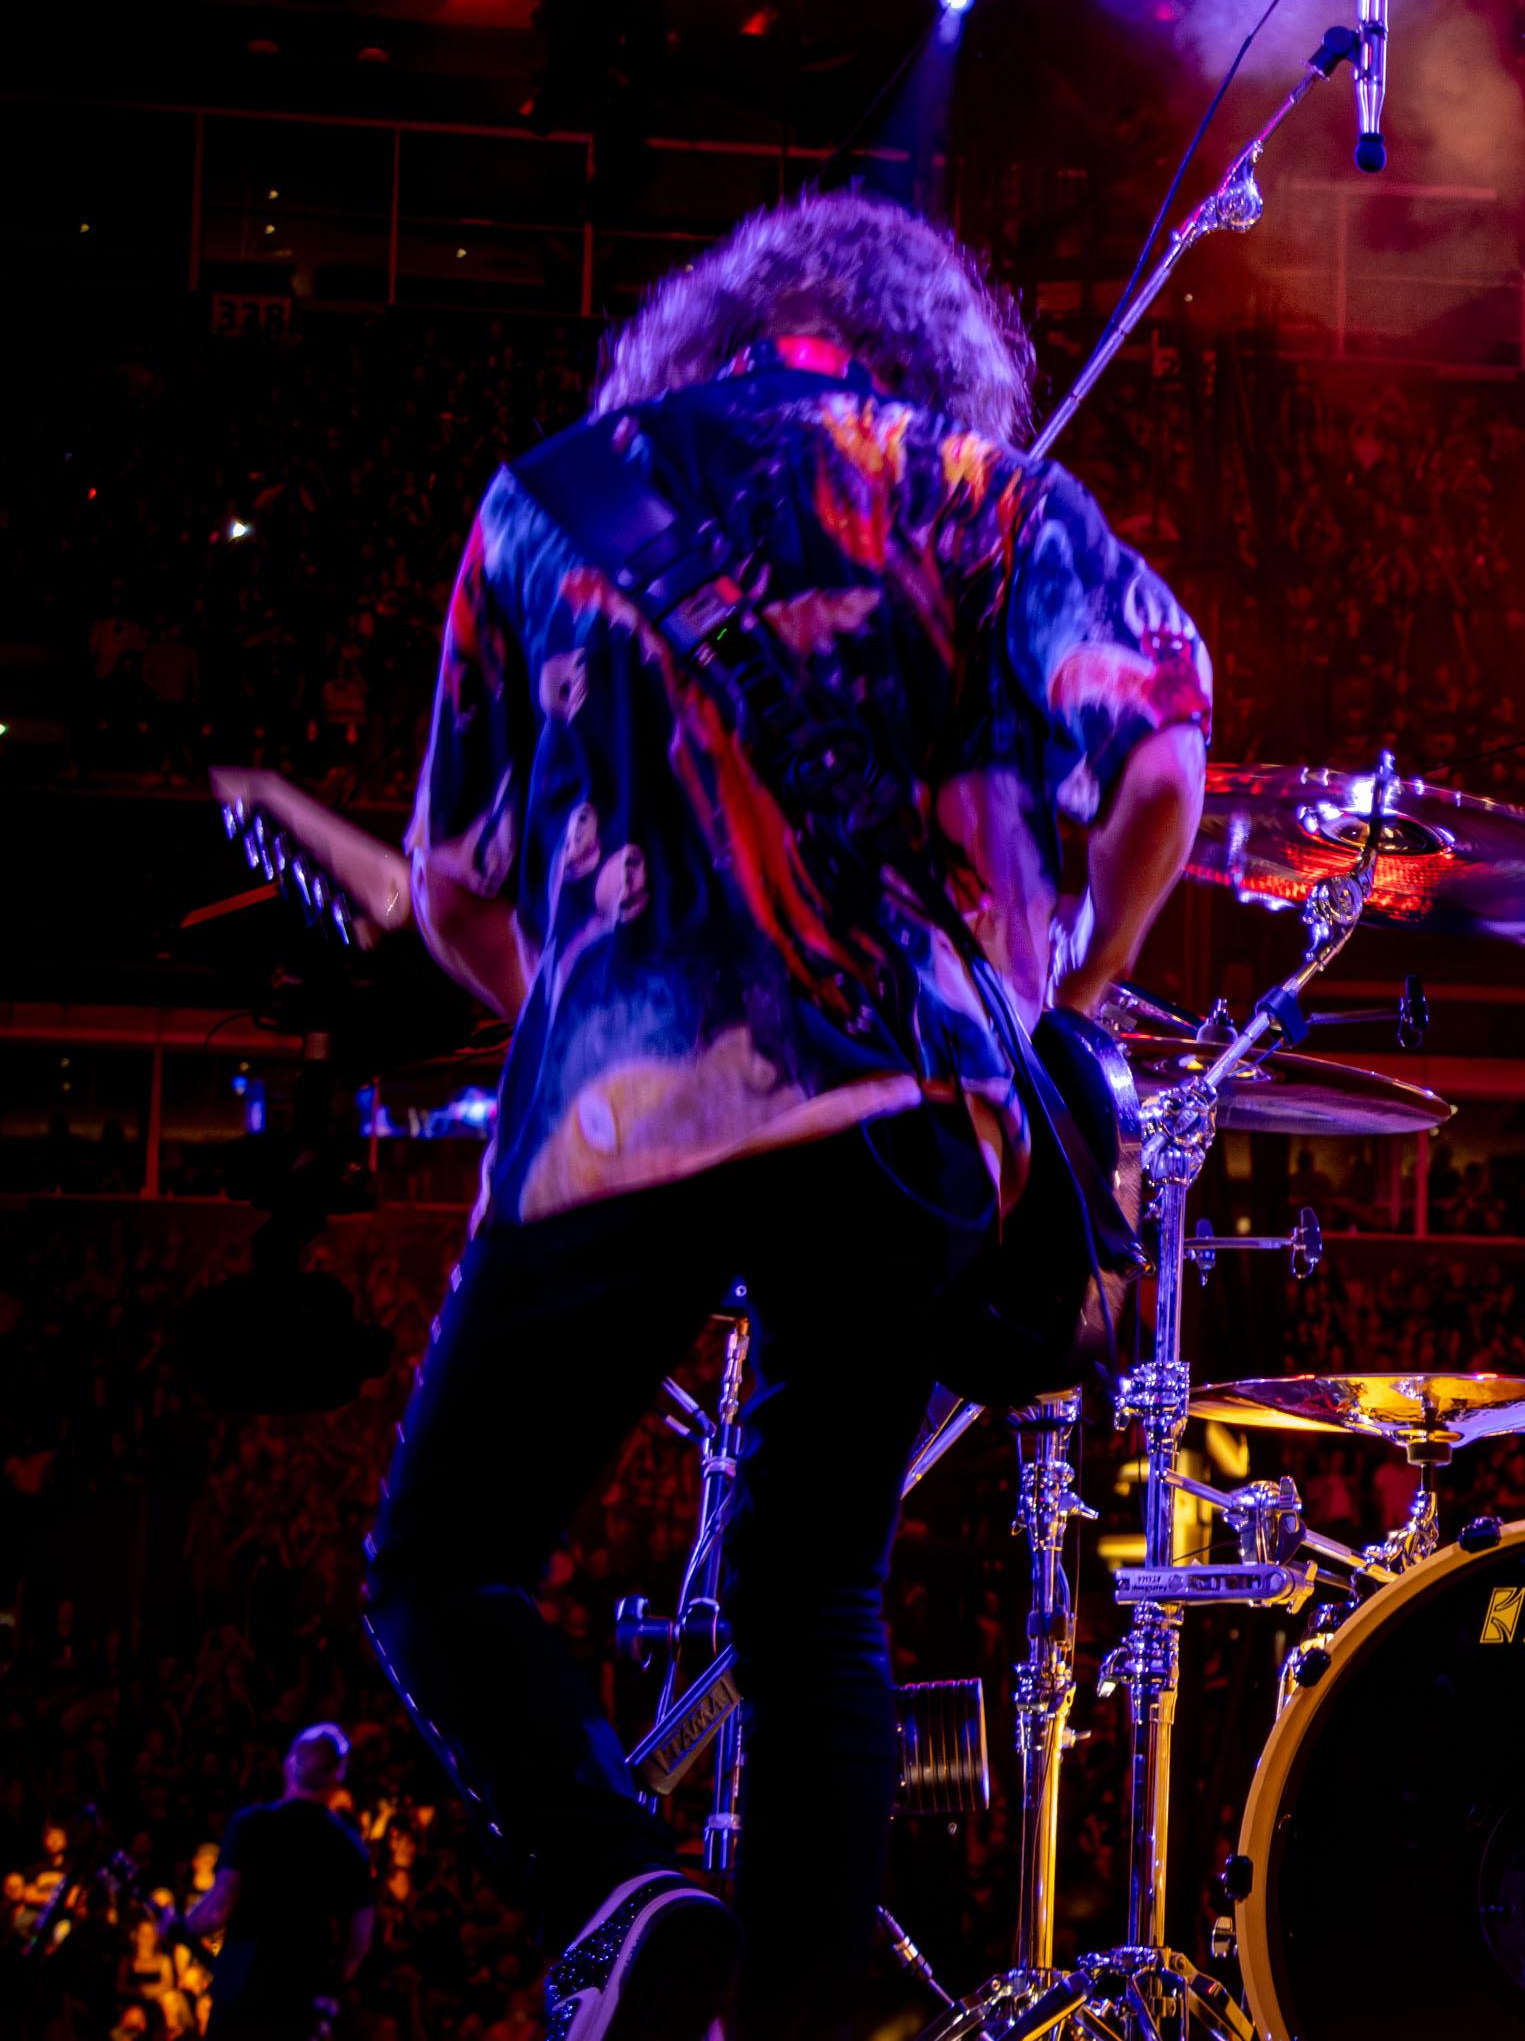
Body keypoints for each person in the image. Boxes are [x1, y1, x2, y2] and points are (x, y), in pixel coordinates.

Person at [372, 194, 1212, 2041]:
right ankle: (808, 2017)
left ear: (714, 337)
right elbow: (1163, 758)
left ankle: (625, 1890)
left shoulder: (545, 502)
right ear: (922, 353)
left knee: (441, 1568)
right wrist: (1075, 991)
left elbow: (450, 889)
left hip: (632, 1099)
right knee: (814, 1585)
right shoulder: (985, 493)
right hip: (910, 1115)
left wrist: (593, 1034)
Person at [170, 1725, 377, 2041]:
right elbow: (360, 1941)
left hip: (242, 1994)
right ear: (338, 1775)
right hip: (301, 2005)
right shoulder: (349, 1846)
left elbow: (216, 1911)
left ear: (289, 1765)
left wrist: (178, 1927)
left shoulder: (252, 1825)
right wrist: (328, 1988)